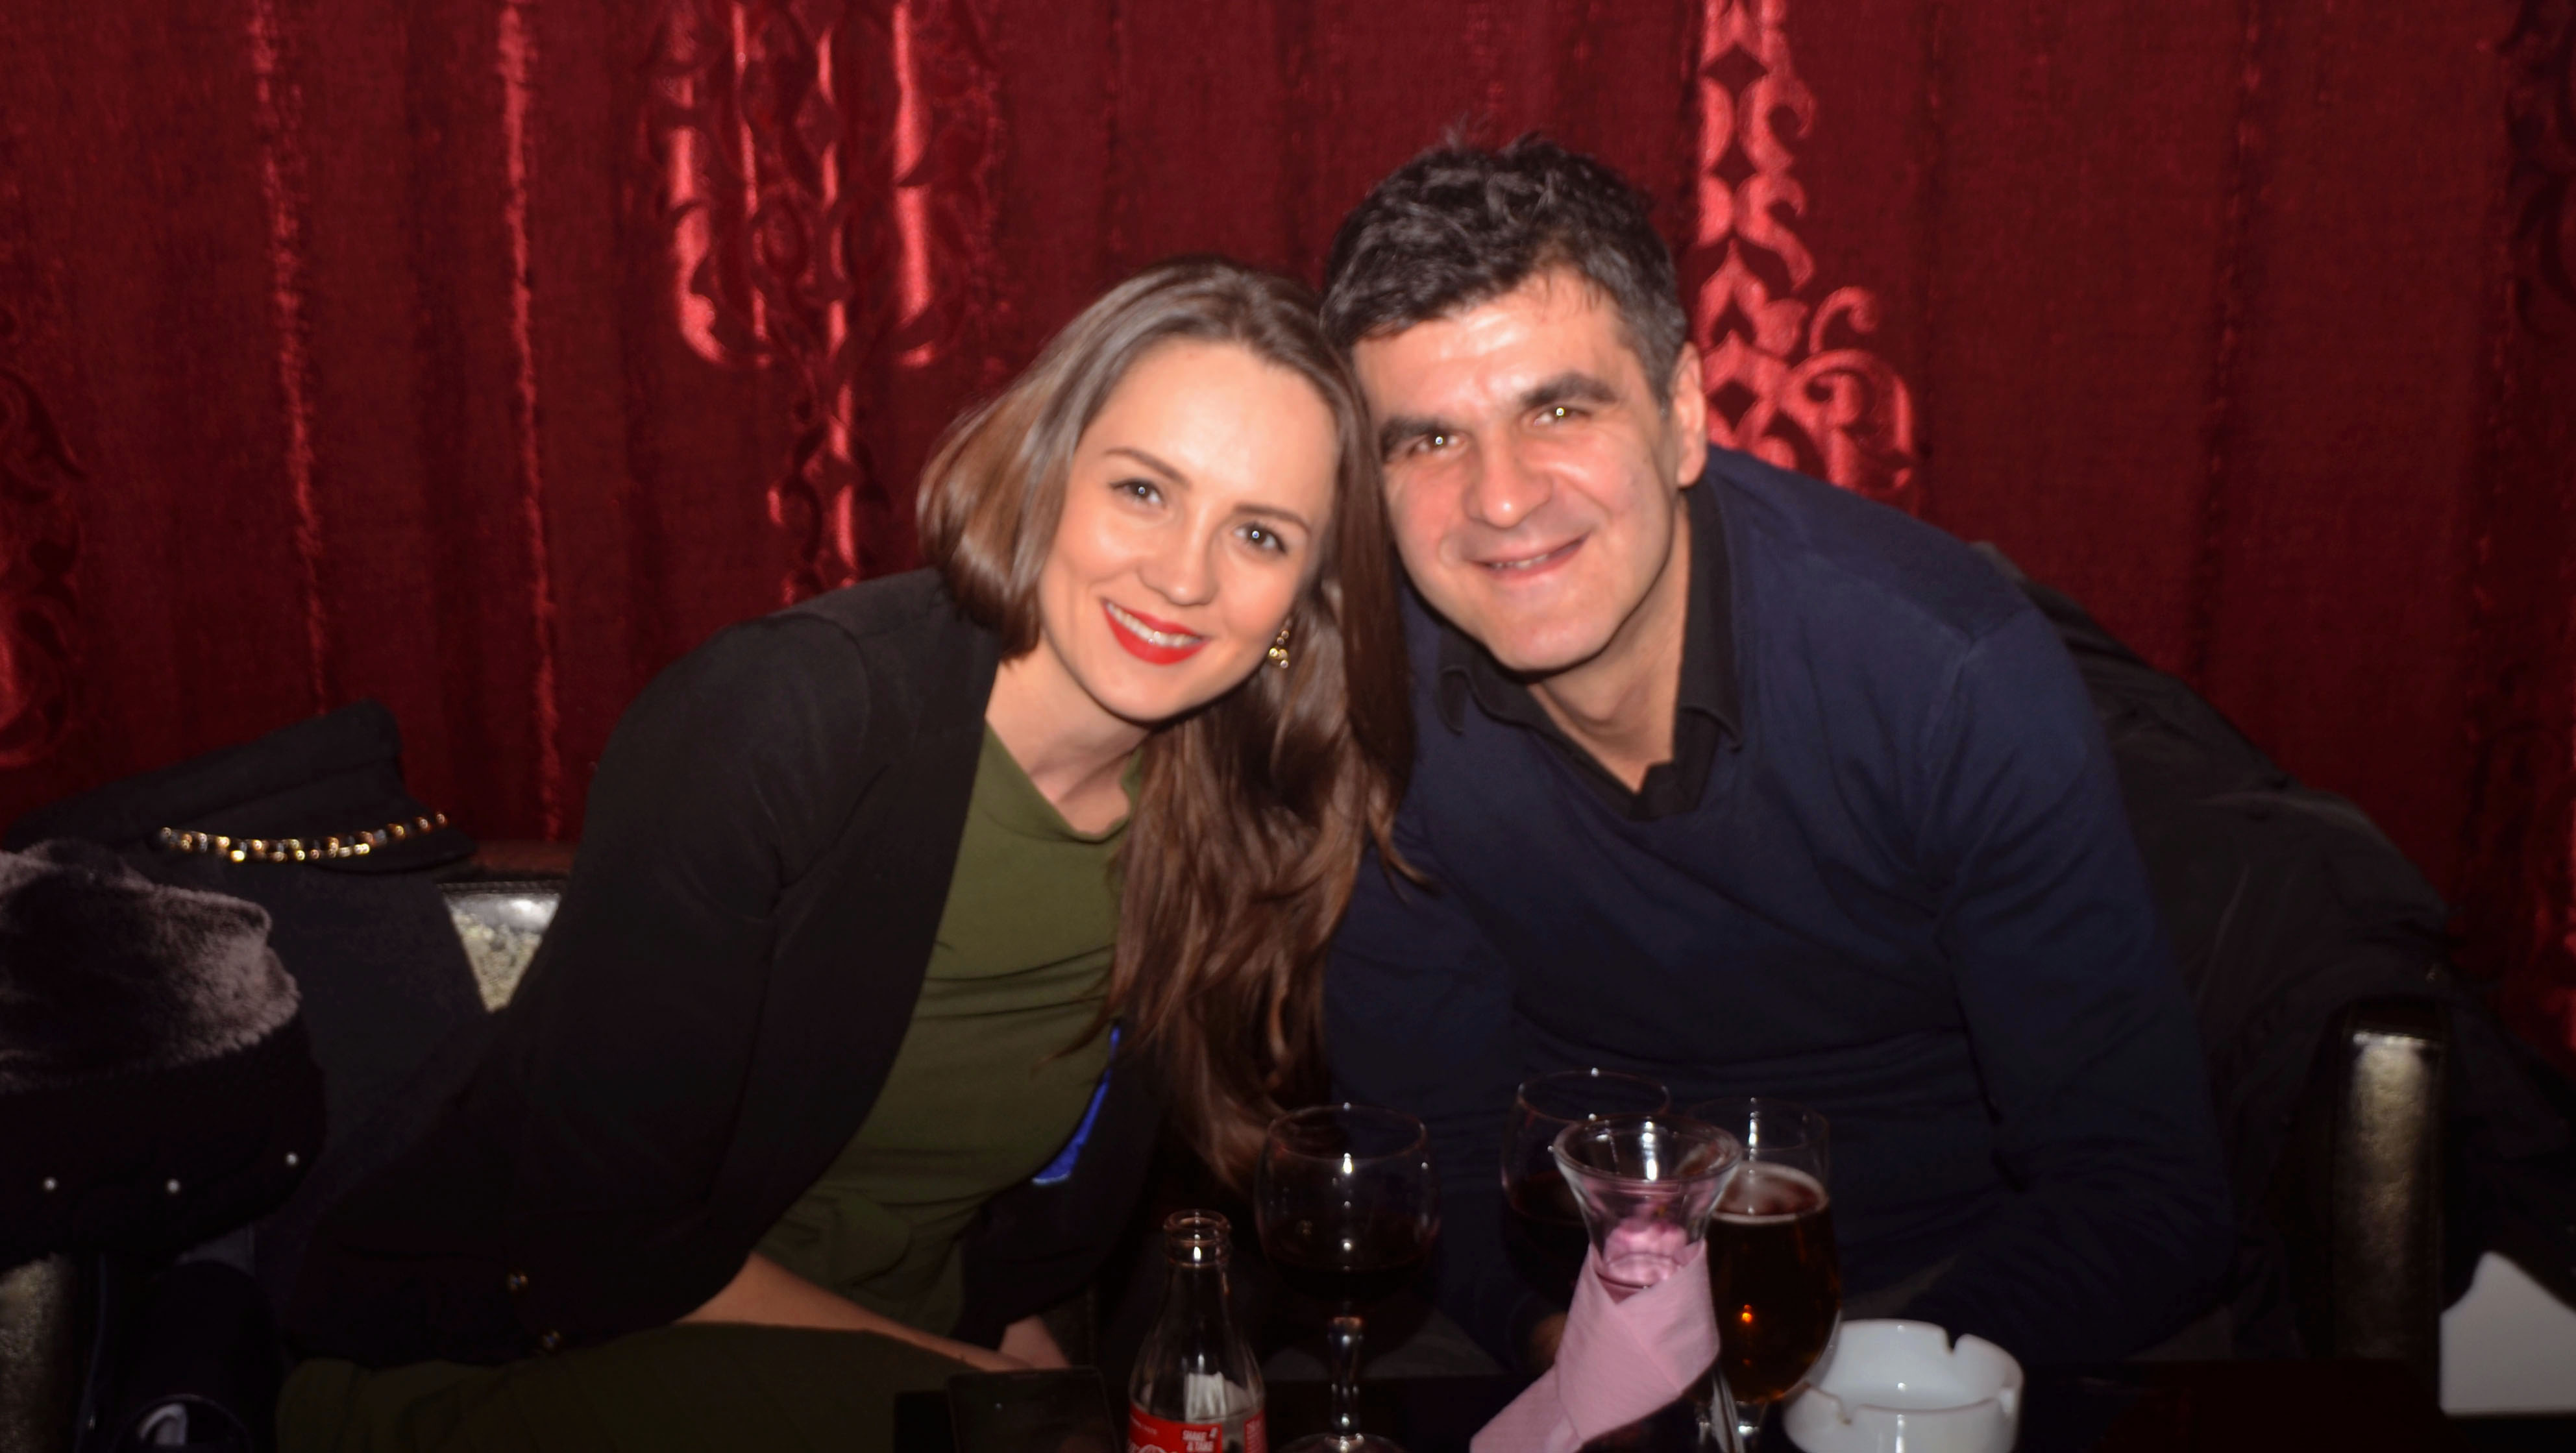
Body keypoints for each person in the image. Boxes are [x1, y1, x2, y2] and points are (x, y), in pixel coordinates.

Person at [276, 257, 1412, 1450]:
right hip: (555, 1355)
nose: (1183, 576)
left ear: (1303, 603)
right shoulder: (786, 720)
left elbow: (1037, 1220)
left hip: (895, 1369)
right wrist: (993, 1398)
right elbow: (605, 1250)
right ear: (1043, 473)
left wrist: (1011, 1350)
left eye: (1259, 534)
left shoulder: (1225, 815)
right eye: (1142, 490)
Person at [1318, 139, 2235, 1372]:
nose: (1499, 498)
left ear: (1682, 416)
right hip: (1554, 1294)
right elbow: (1433, 1143)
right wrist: (1572, 1362)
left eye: (1557, 410)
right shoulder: (1368, 703)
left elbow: (2138, 1182)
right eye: (1428, 441)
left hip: (1946, 1293)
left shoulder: (1943, 676)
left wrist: (1879, 1404)